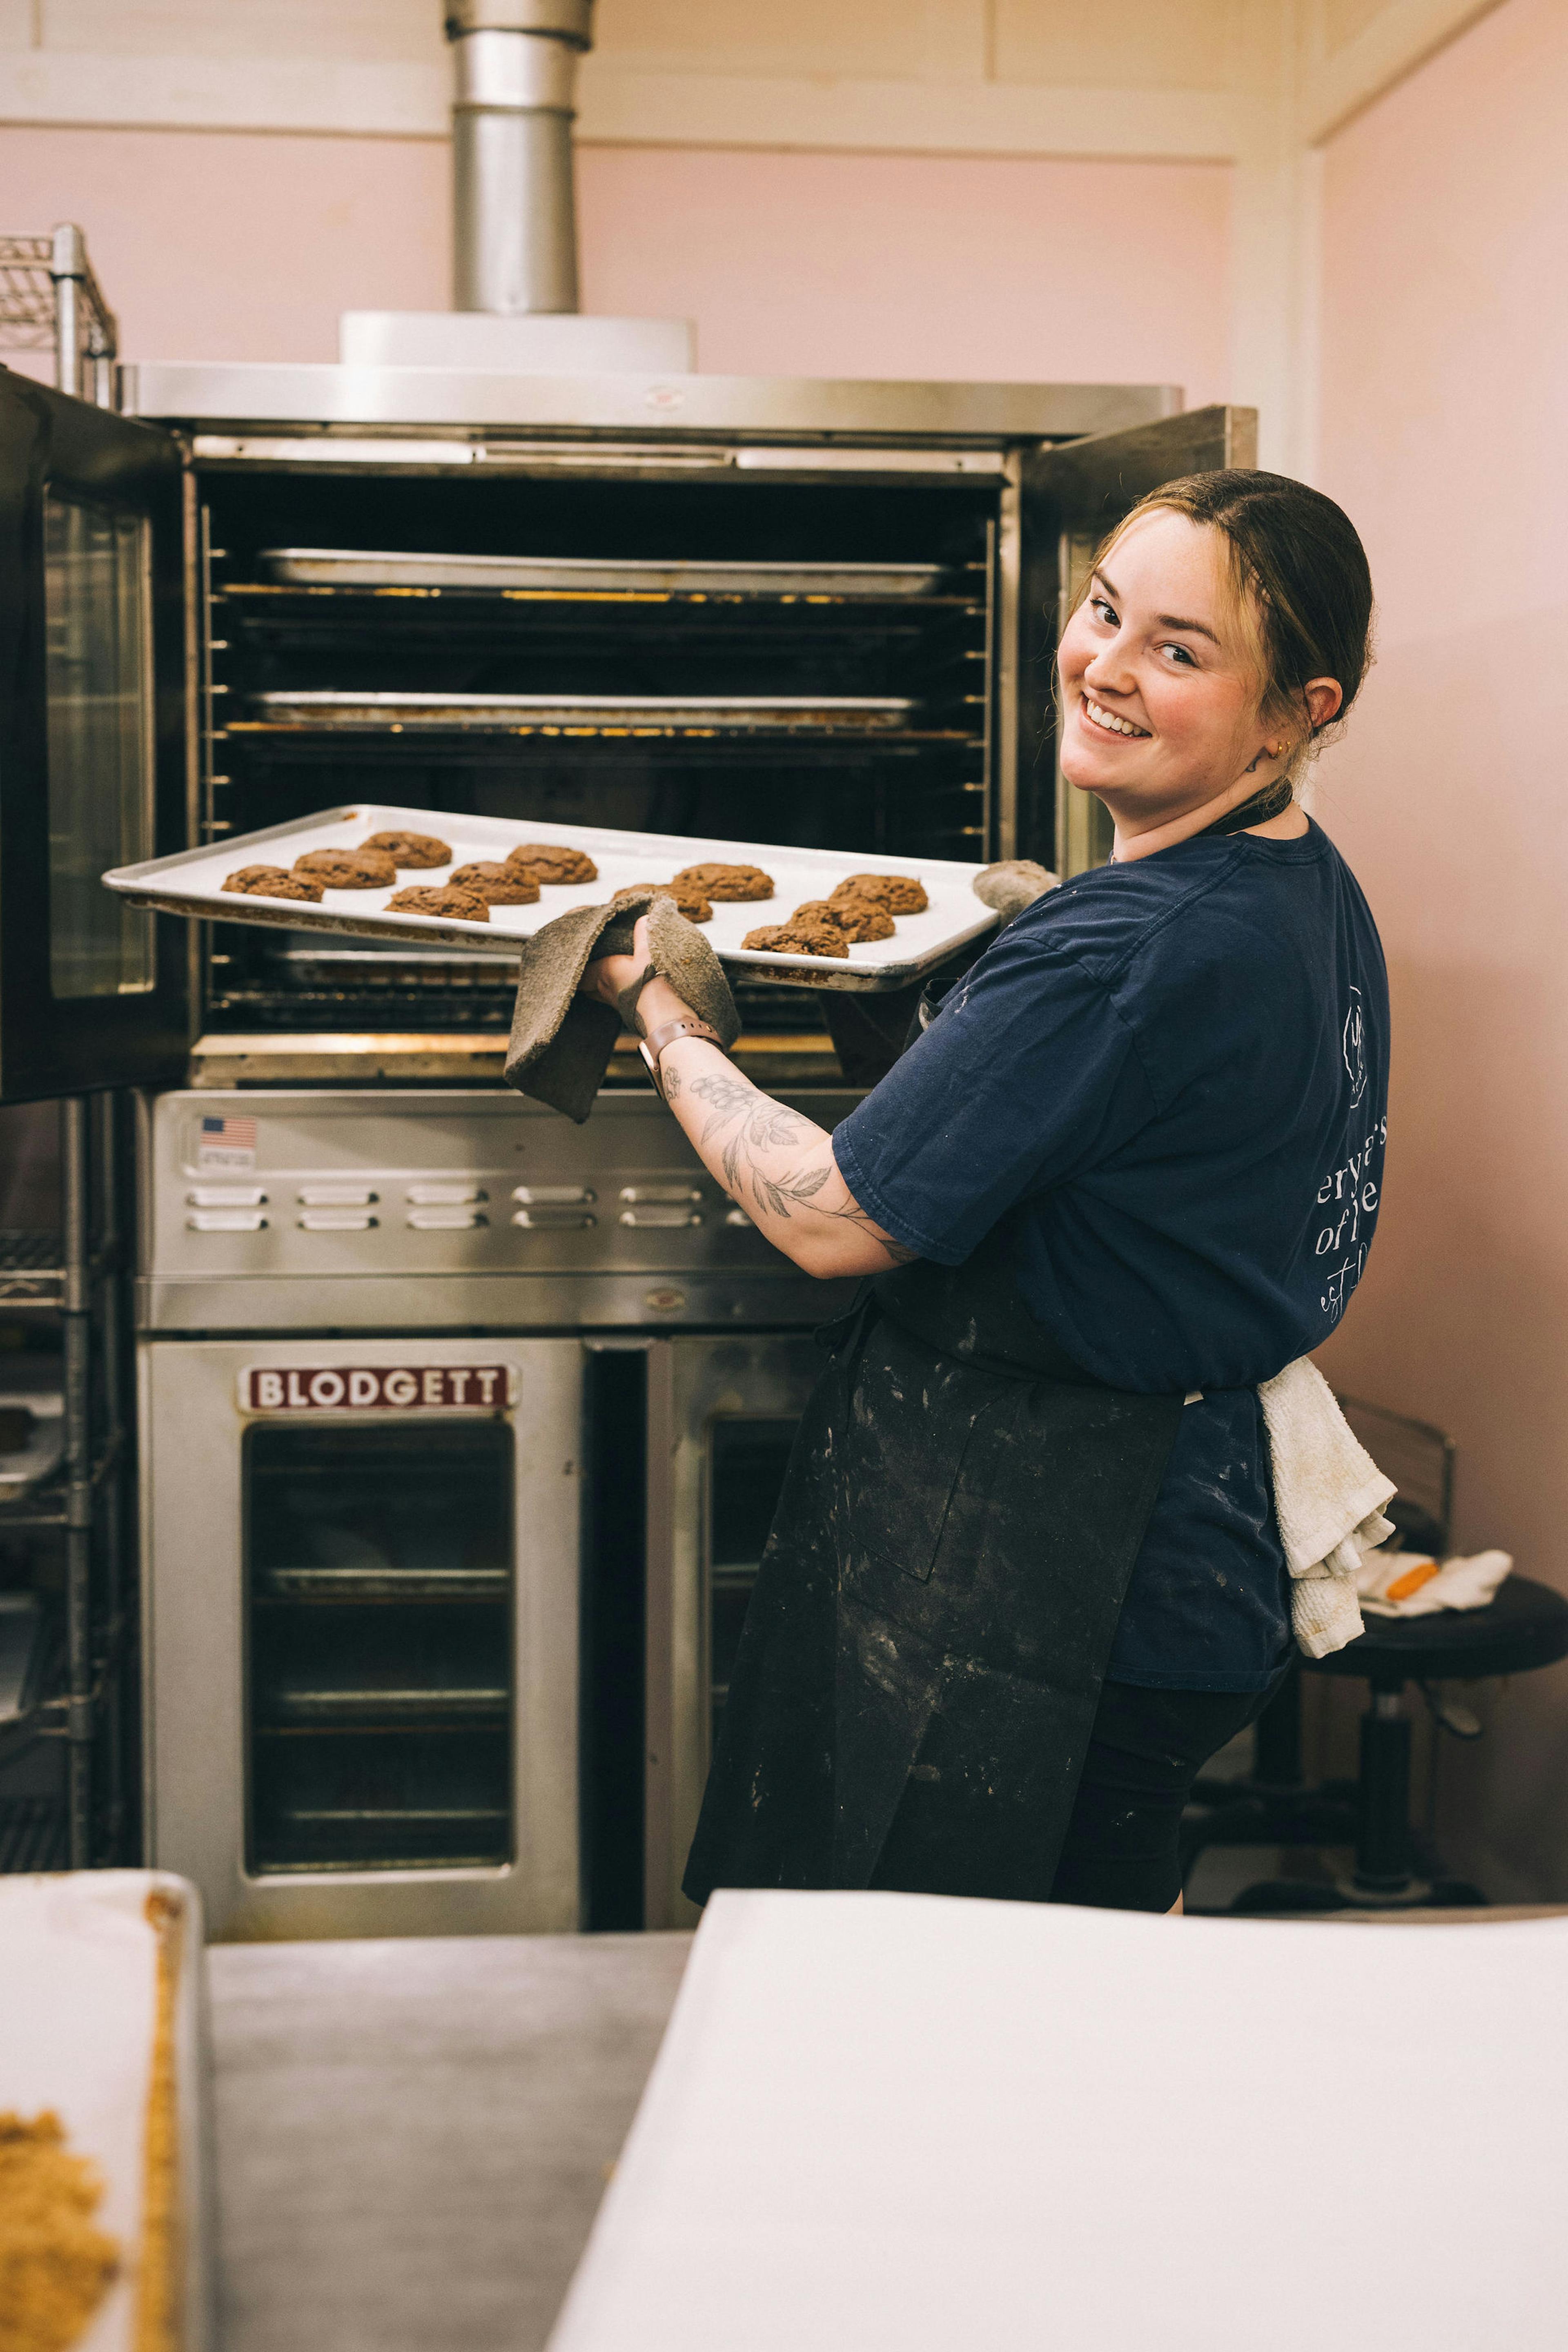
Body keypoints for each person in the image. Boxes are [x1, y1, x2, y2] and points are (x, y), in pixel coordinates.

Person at [582, 469, 1386, 1916]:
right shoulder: (1297, 883)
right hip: (1177, 1525)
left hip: (1061, 1569)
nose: (1107, 667)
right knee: (1068, 1975)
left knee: (992, 2021)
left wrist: (663, 1016)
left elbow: (829, 1217)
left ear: (1300, 712)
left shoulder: (1128, 948)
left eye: (1181, 650)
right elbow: (1115, 1160)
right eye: (1103, 613)